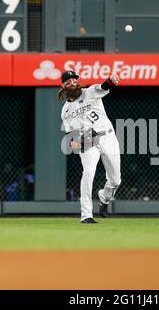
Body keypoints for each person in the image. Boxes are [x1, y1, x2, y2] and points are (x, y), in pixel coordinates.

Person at [59, 71, 121, 224]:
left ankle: (104, 197)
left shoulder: (89, 92)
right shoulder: (66, 111)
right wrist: (72, 142)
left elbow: (104, 86)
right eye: (68, 81)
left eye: (74, 80)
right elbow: (70, 134)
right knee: (88, 173)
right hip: (88, 141)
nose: (72, 83)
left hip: (107, 137)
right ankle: (86, 214)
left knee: (115, 180)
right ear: (63, 86)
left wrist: (110, 81)